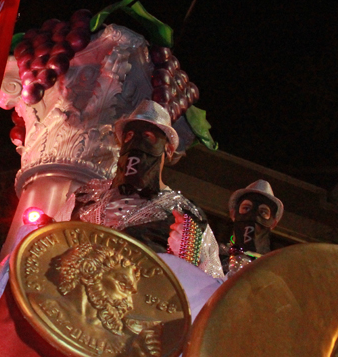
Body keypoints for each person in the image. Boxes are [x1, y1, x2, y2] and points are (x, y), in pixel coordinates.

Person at [70, 100, 224, 279]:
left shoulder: (187, 215)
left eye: (148, 137)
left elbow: (212, 287)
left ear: (168, 149)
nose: (136, 144)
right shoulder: (87, 194)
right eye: (129, 136)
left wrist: (187, 259)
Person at [224, 179, 283, 276]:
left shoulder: (275, 272)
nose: (254, 216)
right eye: (246, 208)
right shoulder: (214, 256)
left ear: (273, 223)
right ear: (233, 214)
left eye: (263, 212)